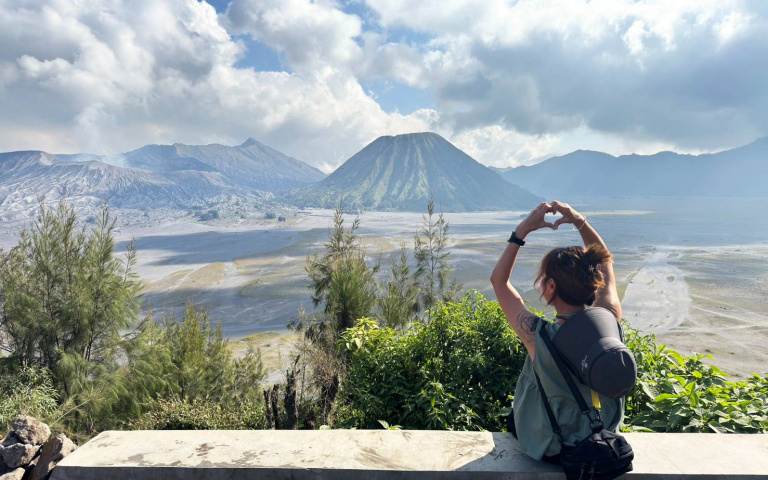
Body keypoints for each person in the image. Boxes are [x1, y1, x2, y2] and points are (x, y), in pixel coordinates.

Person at [490, 200, 624, 464]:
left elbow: (499, 281)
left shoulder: (539, 336)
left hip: (557, 447)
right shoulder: (610, 317)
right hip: (604, 435)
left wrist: (522, 231)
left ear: (551, 286)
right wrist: (578, 220)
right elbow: (606, 264)